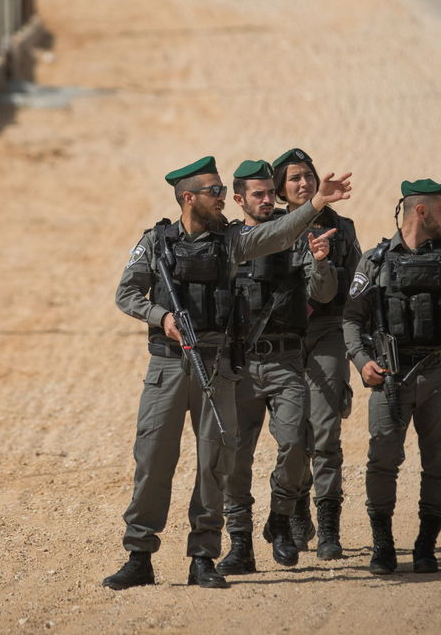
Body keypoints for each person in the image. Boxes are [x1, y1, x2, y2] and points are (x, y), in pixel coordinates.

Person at [105, 156, 353, 590]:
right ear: (189, 198)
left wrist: (314, 204)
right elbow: (126, 293)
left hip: (218, 366)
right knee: (152, 461)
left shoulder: (233, 242)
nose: (222, 198)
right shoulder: (156, 241)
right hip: (168, 364)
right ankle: (139, 555)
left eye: (223, 190)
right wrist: (160, 314)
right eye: (214, 191)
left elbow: (276, 233)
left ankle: (203, 556)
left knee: (214, 464)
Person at [343, 179, 441, 574]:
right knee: (381, 461)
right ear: (421, 211)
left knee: (440, 462)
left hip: (440, 376)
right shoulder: (374, 261)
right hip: (389, 379)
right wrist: (362, 361)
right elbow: (352, 318)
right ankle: (383, 546)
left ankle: (426, 545)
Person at [218, 160, 336, 575]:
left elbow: (324, 293)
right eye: (258, 194)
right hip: (241, 364)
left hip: (286, 360)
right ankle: (239, 543)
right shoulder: (228, 241)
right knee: (235, 458)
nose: (268, 200)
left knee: (295, 445)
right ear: (238, 199)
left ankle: (281, 520)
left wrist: (320, 261)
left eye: (272, 192)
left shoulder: (298, 236)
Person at [271, 147, 361, 560]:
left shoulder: (342, 229)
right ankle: (296, 511)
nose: (303, 183)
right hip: (284, 340)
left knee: (324, 433)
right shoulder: (271, 232)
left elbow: (358, 293)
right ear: (279, 190)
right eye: (294, 179)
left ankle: (328, 527)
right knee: (292, 437)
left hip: (326, 333)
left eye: (307, 175)